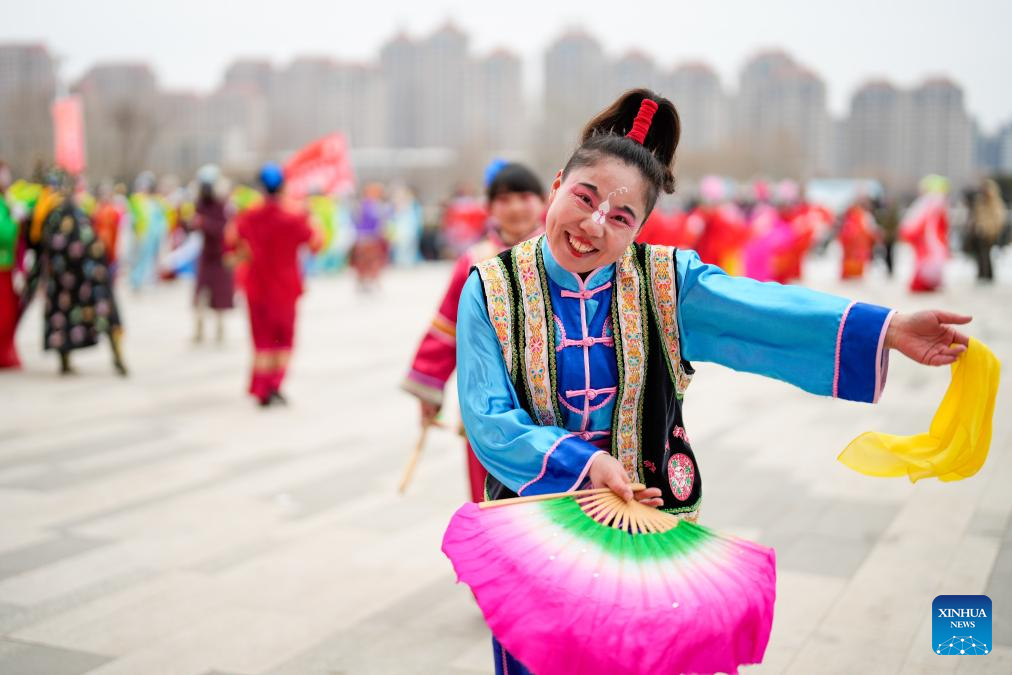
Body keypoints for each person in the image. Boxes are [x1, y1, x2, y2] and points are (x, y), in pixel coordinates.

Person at [454, 89, 972, 674]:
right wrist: (583, 465)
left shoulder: (666, 283)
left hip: (650, 526)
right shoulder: (492, 287)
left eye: (620, 217)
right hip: (539, 530)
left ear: (640, 229)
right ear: (557, 185)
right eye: (584, 197)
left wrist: (888, 328)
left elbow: (766, 313)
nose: (593, 225)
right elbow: (488, 415)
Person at [403, 162, 546, 501]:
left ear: (543, 201)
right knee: (492, 502)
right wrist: (428, 388)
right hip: (486, 402)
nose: (514, 207)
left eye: (524, 197)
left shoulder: (560, 255)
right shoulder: (473, 262)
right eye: (504, 199)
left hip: (551, 400)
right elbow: (447, 328)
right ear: (490, 207)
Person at [19, 170, 127, 376]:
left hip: (67, 277)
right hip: (88, 274)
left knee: (66, 314)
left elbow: (38, 245)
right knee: (103, 311)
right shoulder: (62, 210)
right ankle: (113, 354)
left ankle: (67, 358)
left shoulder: (49, 210)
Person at [234, 163, 321, 406]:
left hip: (256, 286)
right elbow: (316, 243)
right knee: (283, 339)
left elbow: (233, 247)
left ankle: (261, 388)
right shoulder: (294, 217)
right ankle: (274, 384)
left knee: (261, 339)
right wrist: (310, 214)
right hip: (285, 288)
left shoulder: (247, 216)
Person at [191, 165, 235, 343]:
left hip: (221, 256)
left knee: (221, 296)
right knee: (200, 294)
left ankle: (220, 329)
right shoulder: (200, 204)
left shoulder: (224, 205)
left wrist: (205, 223)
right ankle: (199, 329)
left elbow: (224, 230)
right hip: (206, 255)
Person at [900, 175, 950, 293]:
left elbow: (916, 222)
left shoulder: (931, 202)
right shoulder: (936, 202)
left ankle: (926, 283)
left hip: (928, 240)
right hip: (931, 240)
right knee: (930, 262)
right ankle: (928, 283)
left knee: (926, 262)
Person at [0, 161, 21, 368]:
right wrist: (14, 220)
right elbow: (4, 234)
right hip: (2, 265)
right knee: (4, 314)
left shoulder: (5, 200)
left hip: (6, 266)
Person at [968, 178, 1007, 282]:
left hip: (990, 232)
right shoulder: (980, 202)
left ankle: (988, 275)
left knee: (986, 254)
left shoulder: (995, 202)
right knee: (980, 254)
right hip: (979, 231)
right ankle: (982, 273)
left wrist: (993, 229)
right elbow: (976, 215)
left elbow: (999, 218)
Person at [839, 196, 880, 279]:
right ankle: (853, 274)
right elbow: (869, 229)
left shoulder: (856, 216)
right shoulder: (861, 216)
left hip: (856, 245)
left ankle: (852, 274)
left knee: (854, 259)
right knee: (855, 259)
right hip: (857, 244)